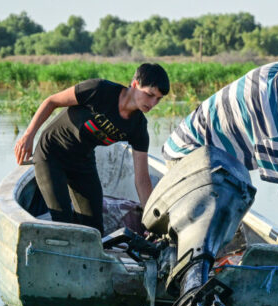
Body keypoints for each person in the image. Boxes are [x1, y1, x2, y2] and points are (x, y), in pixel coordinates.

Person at [162, 53, 278, 274]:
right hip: (188, 158)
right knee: (218, 236)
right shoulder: (269, 116)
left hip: (214, 158)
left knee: (234, 213)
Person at [14, 63, 169, 235]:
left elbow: (142, 179)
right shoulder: (99, 90)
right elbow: (51, 101)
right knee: (62, 221)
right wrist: (28, 136)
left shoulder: (138, 127)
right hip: (52, 154)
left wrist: (150, 222)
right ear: (134, 84)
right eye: (149, 95)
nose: (153, 103)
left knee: (95, 229)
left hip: (82, 162)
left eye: (158, 99)